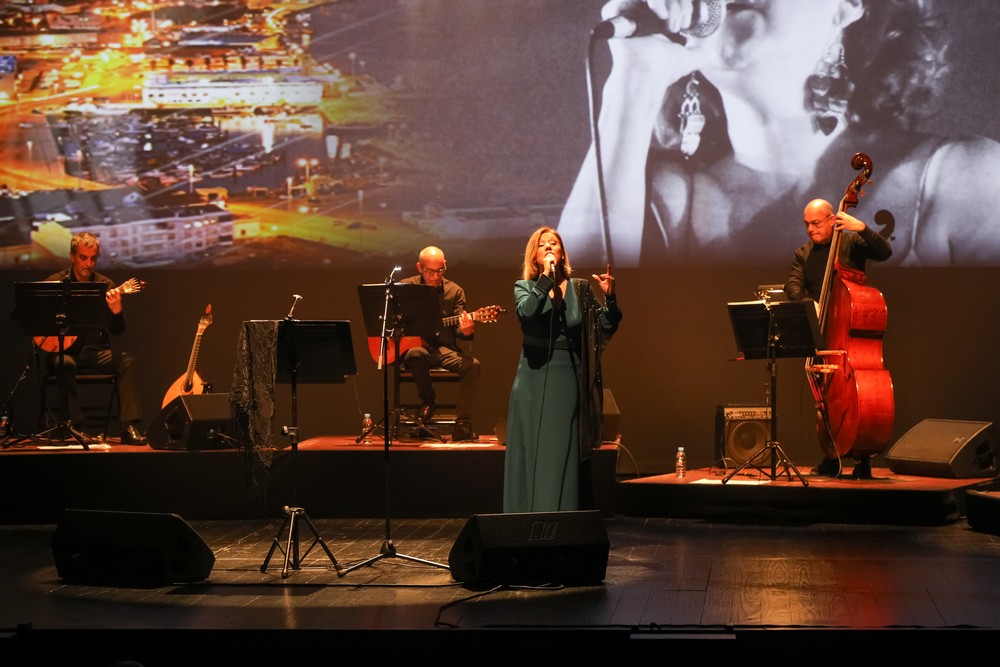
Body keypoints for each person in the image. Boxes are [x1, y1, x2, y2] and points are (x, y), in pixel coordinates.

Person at [559, 0, 1000, 267]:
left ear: (847, 6)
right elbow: (569, 340)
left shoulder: (963, 180)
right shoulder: (666, 203)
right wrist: (635, 79)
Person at [503, 227, 622, 513]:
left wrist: (610, 298)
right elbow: (528, 314)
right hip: (532, 376)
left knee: (560, 447)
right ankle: (525, 517)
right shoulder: (524, 287)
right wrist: (546, 279)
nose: (548, 247)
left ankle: (561, 517)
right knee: (532, 447)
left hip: (568, 374)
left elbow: (605, 327)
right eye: (542, 244)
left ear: (562, 253)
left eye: (553, 243)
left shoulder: (580, 288)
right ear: (535, 256)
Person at [783, 198, 892, 476]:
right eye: (806, 224)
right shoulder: (803, 253)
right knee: (825, 399)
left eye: (815, 223)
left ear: (832, 220)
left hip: (847, 336)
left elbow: (885, 252)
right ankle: (832, 455)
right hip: (822, 336)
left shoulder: (851, 243)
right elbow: (792, 286)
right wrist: (810, 304)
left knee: (858, 398)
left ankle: (862, 457)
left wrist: (862, 228)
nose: (810, 229)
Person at [40, 232, 147, 444]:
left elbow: (118, 330)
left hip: (95, 353)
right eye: (83, 258)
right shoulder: (55, 282)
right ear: (72, 256)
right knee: (64, 363)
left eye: (93, 258)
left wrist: (117, 311)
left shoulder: (105, 285)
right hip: (63, 352)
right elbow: (39, 316)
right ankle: (78, 427)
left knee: (127, 361)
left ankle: (130, 427)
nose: (88, 264)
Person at [398, 246, 481, 442]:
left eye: (440, 270)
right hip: (416, 349)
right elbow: (395, 320)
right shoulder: (405, 288)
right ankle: (428, 402)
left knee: (473, 365)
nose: (436, 276)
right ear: (420, 268)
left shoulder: (454, 291)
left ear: (445, 266)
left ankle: (462, 424)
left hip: (444, 349)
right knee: (416, 354)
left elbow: (460, 329)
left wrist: (467, 330)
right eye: (430, 271)